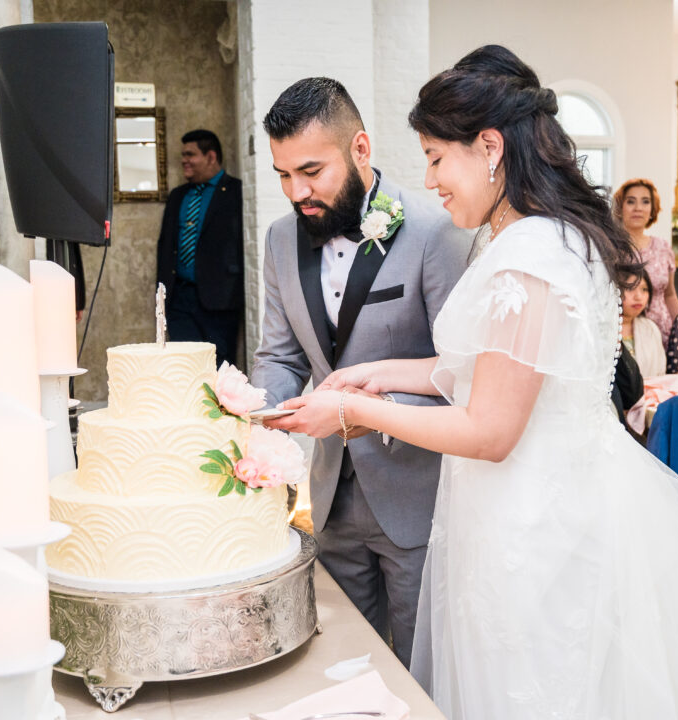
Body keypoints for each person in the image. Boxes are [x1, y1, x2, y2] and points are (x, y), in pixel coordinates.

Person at [278, 45, 678, 719]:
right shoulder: (548, 237)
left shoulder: (529, 257)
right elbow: (488, 368)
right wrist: (372, 373)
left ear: (490, 146)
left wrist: (355, 413)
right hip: (543, 499)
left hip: (536, 525)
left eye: (438, 156)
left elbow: (491, 429)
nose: (431, 178)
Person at [250, 77, 470, 667]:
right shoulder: (277, 241)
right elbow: (281, 356)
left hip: (416, 495)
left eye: (312, 171)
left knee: (423, 669)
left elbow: (462, 376)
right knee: (345, 663)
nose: (297, 192)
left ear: (361, 150)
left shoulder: (436, 232)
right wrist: (259, 418)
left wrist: (364, 417)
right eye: (283, 175)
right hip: (327, 501)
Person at [156, 129, 243, 366]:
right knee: (184, 366)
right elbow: (165, 245)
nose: (184, 160)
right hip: (179, 299)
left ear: (211, 157)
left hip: (220, 300)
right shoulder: (178, 195)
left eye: (190, 154)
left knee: (220, 367)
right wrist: (162, 294)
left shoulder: (237, 192)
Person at [613, 178, 678, 345]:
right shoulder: (611, 248)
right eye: (630, 201)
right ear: (620, 208)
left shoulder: (663, 247)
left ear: (652, 209)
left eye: (645, 202)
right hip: (626, 334)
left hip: (663, 331)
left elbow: (670, 294)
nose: (638, 208)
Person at [621, 267, 665, 377]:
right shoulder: (600, 330)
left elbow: (660, 373)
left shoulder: (650, 328)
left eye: (644, 289)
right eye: (630, 288)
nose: (638, 297)